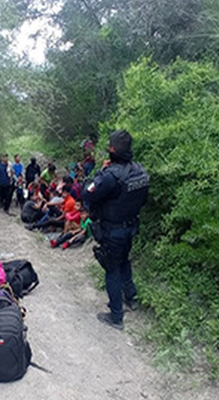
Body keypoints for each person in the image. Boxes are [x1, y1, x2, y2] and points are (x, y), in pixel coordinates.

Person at [82, 130, 149, 330]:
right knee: (124, 260)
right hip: (131, 226)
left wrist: (100, 172)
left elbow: (87, 193)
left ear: (112, 149)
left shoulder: (110, 176)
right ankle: (131, 297)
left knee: (112, 268)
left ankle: (116, 316)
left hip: (113, 230)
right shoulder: (140, 171)